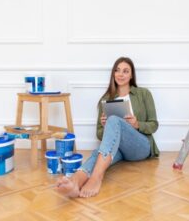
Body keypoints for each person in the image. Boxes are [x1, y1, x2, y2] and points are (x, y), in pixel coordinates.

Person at [56, 57, 159, 198]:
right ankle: (75, 181)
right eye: (117, 70)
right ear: (113, 74)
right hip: (121, 151)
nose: (120, 74)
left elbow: (154, 124)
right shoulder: (106, 99)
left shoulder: (144, 94)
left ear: (132, 75)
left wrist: (137, 124)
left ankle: (96, 178)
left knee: (114, 120)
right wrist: (106, 127)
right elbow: (99, 134)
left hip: (141, 147)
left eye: (125, 71)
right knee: (99, 152)